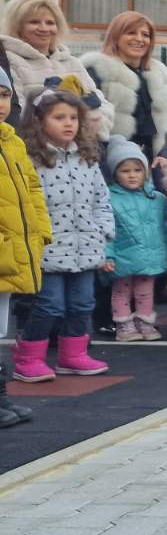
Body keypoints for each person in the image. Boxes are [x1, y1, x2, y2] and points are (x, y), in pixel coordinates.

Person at [13, 84, 115, 381]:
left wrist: (104, 230)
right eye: (59, 117)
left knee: (83, 303)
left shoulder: (87, 158)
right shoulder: (31, 160)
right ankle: (28, 356)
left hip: (85, 246)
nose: (69, 123)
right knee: (49, 305)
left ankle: (73, 355)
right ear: (39, 121)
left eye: (73, 117)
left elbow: (101, 198)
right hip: (49, 248)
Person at [0, 68, 49, 423]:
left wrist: (40, 230)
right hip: (4, 247)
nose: (0, 103)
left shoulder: (12, 141)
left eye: (4, 94)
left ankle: (1, 397)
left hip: (14, 251)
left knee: (0, 329)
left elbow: (32, 189)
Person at [1, 0, 116, 142]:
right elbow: (18, 113)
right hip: (38, 153)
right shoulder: (9, 61)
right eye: (34, 22)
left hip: (84, 149)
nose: (44, 28)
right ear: (17, 26)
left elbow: (103, 107)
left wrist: (80, 131)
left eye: (50, 23)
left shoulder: (72, 62)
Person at [103, 137, 167, 342]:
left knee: (145, 291)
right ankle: (123, 324)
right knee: (121, 292)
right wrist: (107, 255)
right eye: (125, 171)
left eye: (137, 170)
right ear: (115, 173)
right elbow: (106, 230)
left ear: (145, 171)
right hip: (123, 255)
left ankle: (144, 321)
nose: (132, 175)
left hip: (150, 255)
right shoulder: (109, 198)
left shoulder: (157, 198)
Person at [83, 12, 167, 162]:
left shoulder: (157, 74)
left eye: (145, 35)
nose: (139, 39)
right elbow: (88, 124)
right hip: (111, 161)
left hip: (150, 163)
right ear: (116, 37)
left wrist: (164, 155)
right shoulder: (97, 71)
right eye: (131, 33)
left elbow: (165, 124)